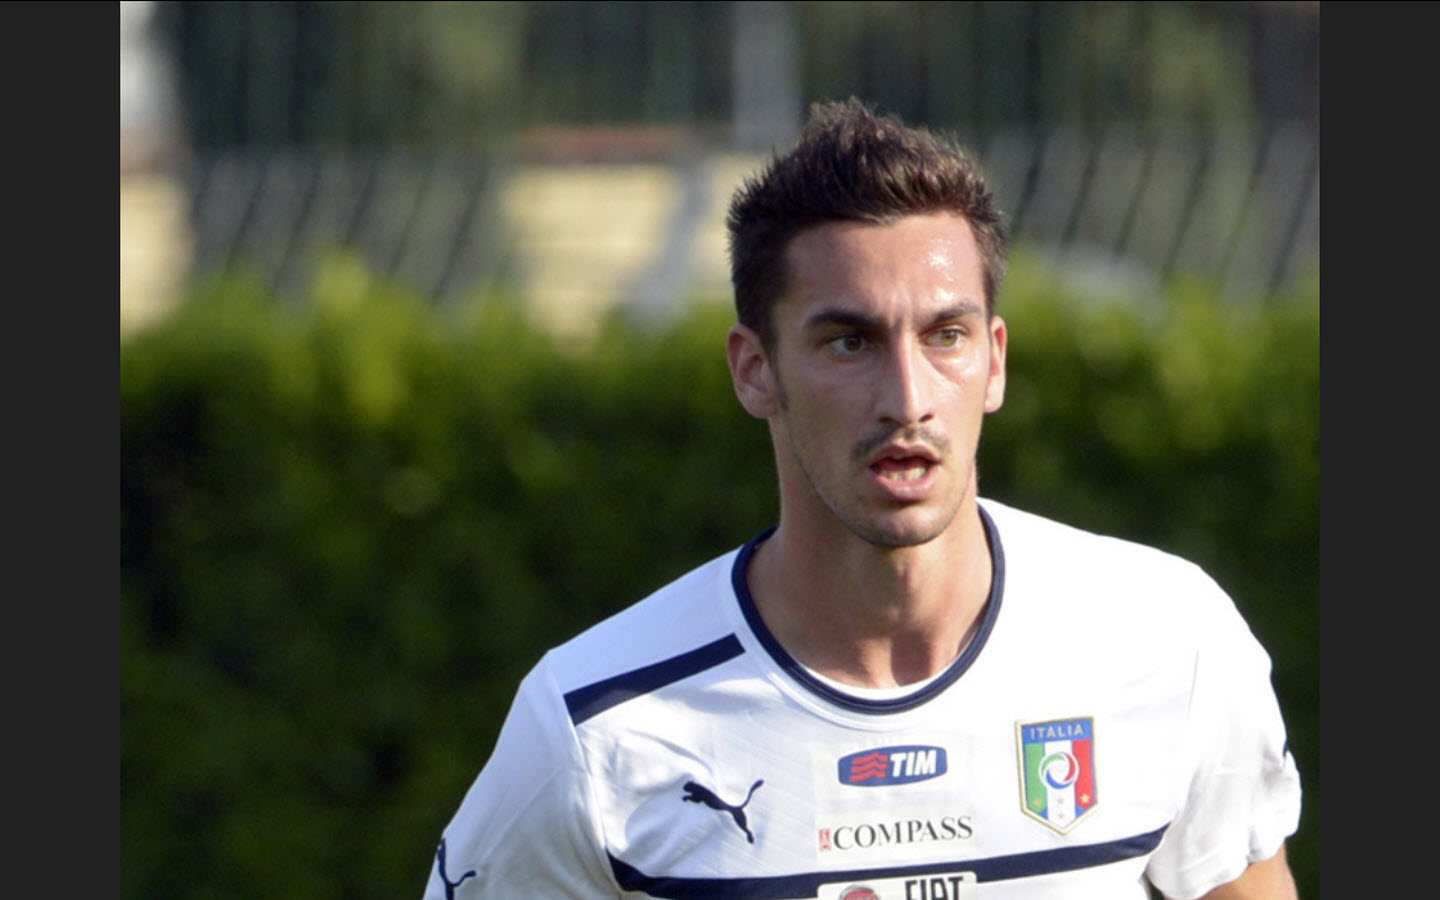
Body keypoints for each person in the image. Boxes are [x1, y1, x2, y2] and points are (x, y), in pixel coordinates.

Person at [422, 98, 1302, 899]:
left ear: (995, 361)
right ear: (755, 369)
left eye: (945, 335)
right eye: (850, 342)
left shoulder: (1170, 641)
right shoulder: (596, 725)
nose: (908, 398)